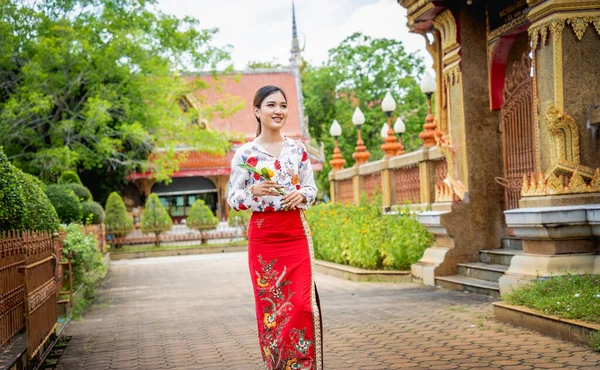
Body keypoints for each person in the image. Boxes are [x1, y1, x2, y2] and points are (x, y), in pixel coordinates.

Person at [227, 85, 323, 370]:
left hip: (295, 233)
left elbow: (311, 188)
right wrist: (253, 190)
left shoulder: (298, 150)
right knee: (272, 308)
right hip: (264, 239)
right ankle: (279, 366)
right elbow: (234, 199)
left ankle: (302, 366)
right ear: (257, 111)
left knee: (302, 306)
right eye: (271, 105)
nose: (278, 111)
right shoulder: (245, 154)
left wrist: (303, 195)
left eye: (282, 105)